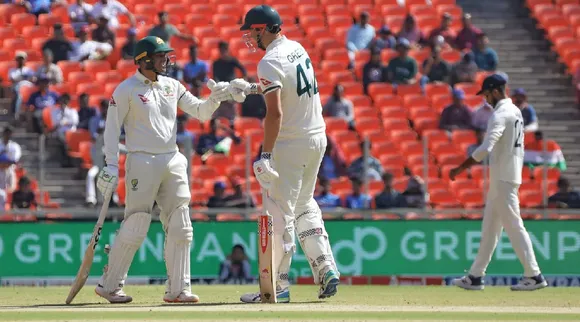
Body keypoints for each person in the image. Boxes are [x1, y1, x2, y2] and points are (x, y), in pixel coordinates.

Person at [94, 36, 234, 304]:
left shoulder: (173, 85)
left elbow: (202, 113)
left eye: (166, 56)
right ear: (144, 59)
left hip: (172, 159)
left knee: (182, 225)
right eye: (160, 57)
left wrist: (215, 98)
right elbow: (111, 130)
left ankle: (178, 289)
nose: (166, 61)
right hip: (141, 161)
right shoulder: (126, 89)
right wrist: (111, 164)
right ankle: (110, 285)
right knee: (136, 223)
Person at [230, 5, 340, 303]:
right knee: (304, 203)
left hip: (291, 142)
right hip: (317, 136)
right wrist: (252, 88)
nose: (250, 37)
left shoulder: (268, 62)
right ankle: (325, 266)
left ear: (263, 28)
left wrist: (265, 155)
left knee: (278, 212)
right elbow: (290, 88)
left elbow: (275, 114)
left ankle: (276, 287)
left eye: (251, 31)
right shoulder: (297, 47)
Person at [448, 74, 547, 291]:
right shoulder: (515, 111)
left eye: (486, 94)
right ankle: (475, 276)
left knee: (514, 226)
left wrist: (460, 168)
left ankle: (534, 274)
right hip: (506, 176)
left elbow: (485, 148)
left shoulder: (500, 114)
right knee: (490, 229)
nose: (485, 99)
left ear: (494, 91)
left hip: (503, 178)